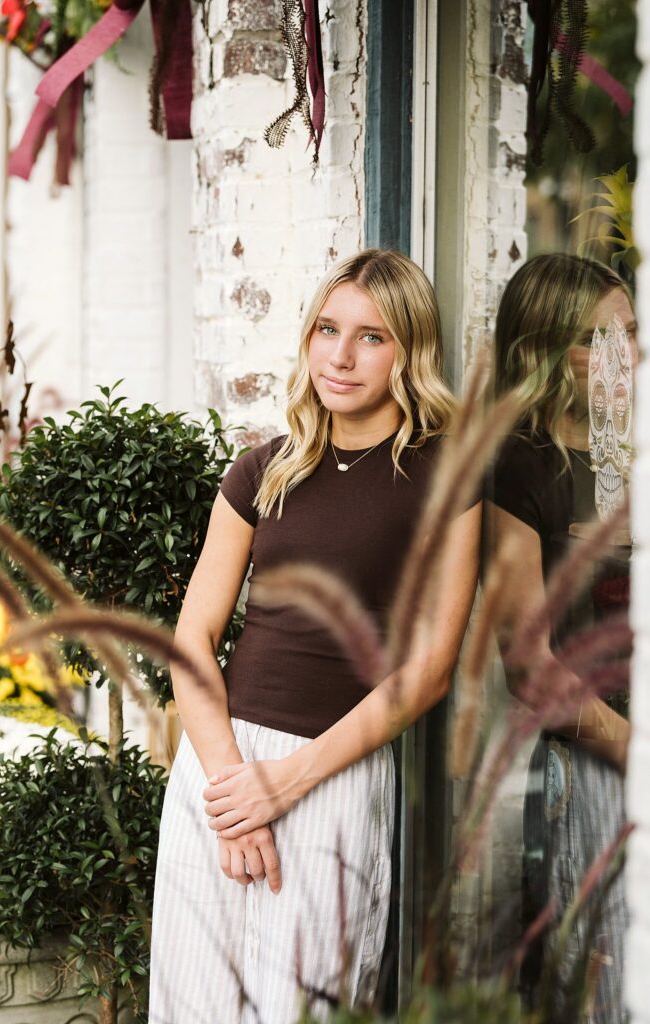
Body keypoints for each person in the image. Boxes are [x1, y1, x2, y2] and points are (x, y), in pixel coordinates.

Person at [148, 248, 481, 1024]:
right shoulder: (260, 470)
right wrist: (233, 790)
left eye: (371, 336)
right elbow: (193, 637)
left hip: (331, 776)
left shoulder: (445, 478)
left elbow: (429, 669)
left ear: (409, 351)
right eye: (327, 329)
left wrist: (287, 782)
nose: (340, 355)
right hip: (219, 773)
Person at [485, 253, 637, 1024]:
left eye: (631, 333)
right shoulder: (520, 467)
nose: (623, 356)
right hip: (594, 767)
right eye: (594, 340)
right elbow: (527, 665)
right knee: (604, 987)